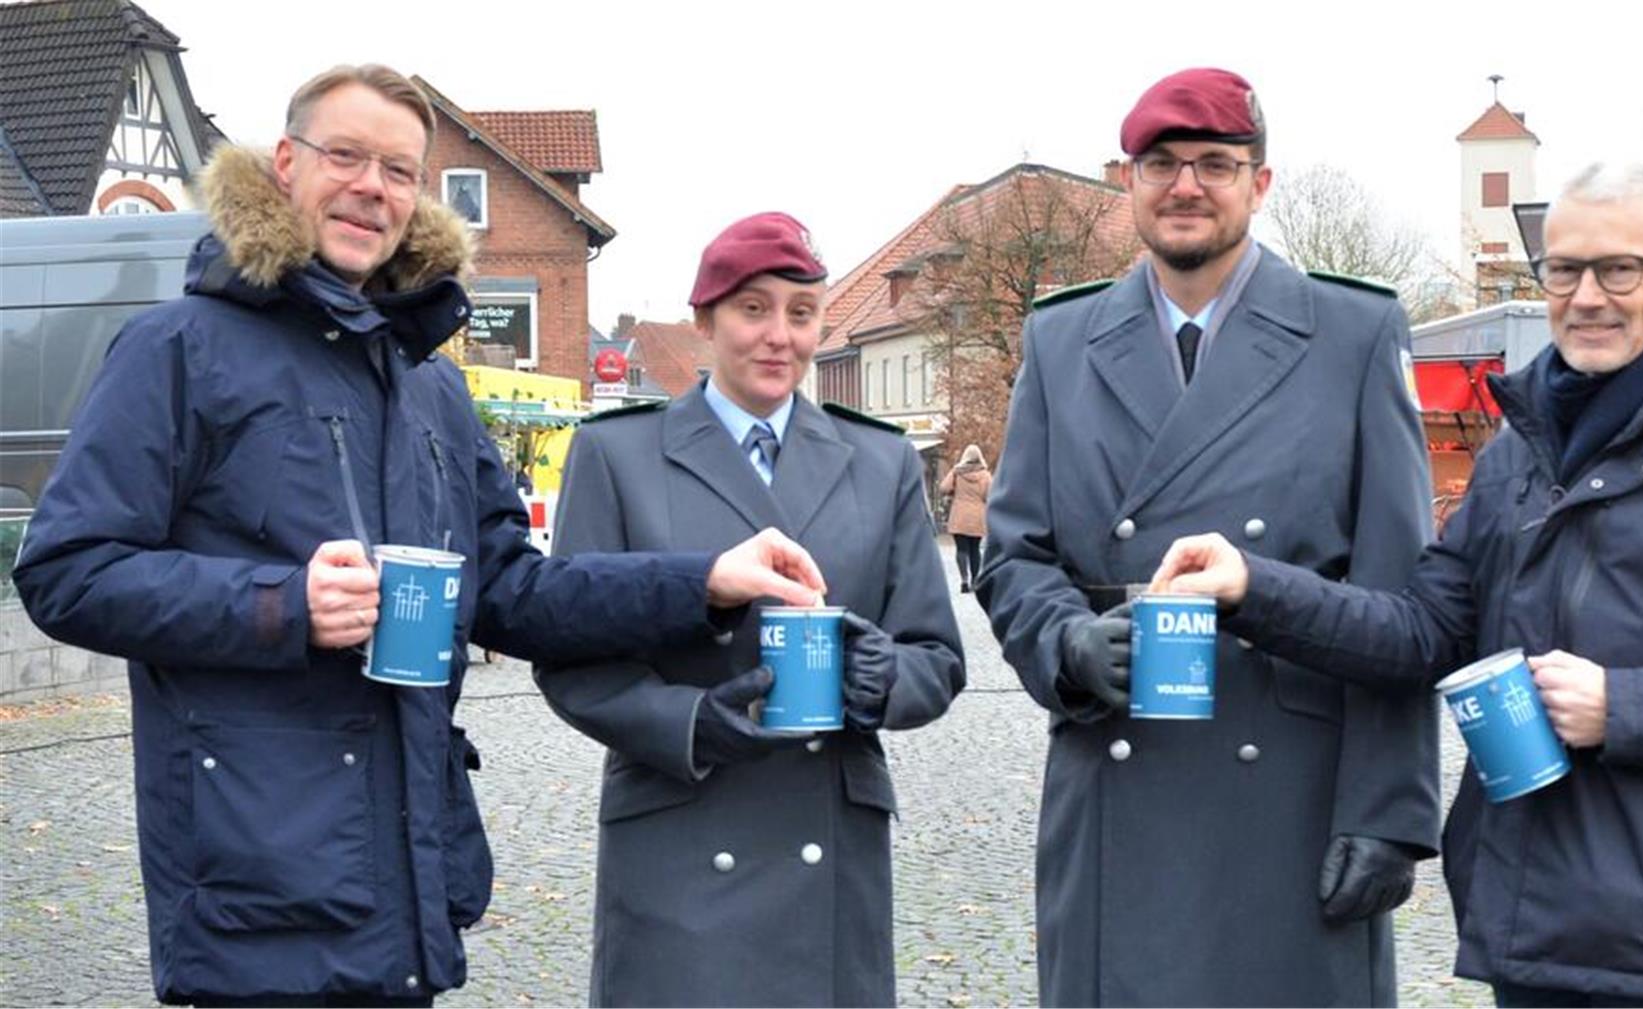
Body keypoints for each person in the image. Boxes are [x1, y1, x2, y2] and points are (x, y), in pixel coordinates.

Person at [11, 65, 825, 1008]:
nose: (373, 187)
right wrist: (282, 605)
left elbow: (512, 591)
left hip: (403, 873)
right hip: (257, 881)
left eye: (399, 170)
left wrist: (704, 581)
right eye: (346, 156)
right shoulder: (178, 349)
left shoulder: (426, 379)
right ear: (284, 165)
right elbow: (66, 570)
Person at [1151, 163, 1643, 1008]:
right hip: (1526, 923)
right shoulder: (1522, 452)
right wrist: (1253, 589)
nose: (1586, 296)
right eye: (1564, 270)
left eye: (1620, 268)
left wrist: (1625, 706)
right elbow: (1422, 631)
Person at [975, 67, 1439, 1007]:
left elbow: (1404, 598)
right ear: (1127, 181)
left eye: (1215, 164)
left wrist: (1391, 811)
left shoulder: (1352, 332)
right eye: (1162, 164)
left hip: (1293, 796)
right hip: (1116, 777)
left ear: (1260, 183)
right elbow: (1016, 553)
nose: (1186, 185)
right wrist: (1064, 642)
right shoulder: (1063, 341)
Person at [534, 211, 966, 1007]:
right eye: (753, 309)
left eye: (801, 314)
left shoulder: (881, 461)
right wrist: (689, 721)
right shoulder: (618, 454)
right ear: (704, 319)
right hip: (681, 824)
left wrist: (879, 679)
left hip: (828, 839)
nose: (779, 337)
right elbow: (573, 654)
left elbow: (935, 657)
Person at [938, 443, 993, 592]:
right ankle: (975, 581)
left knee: (961, 549)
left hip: (959, 515)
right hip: (977, 516)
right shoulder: (985, 475)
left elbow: (943, 488)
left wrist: (954, 491)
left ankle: (964, 581)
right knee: (975, 549)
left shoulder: (957, 472)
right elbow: (990, 495)